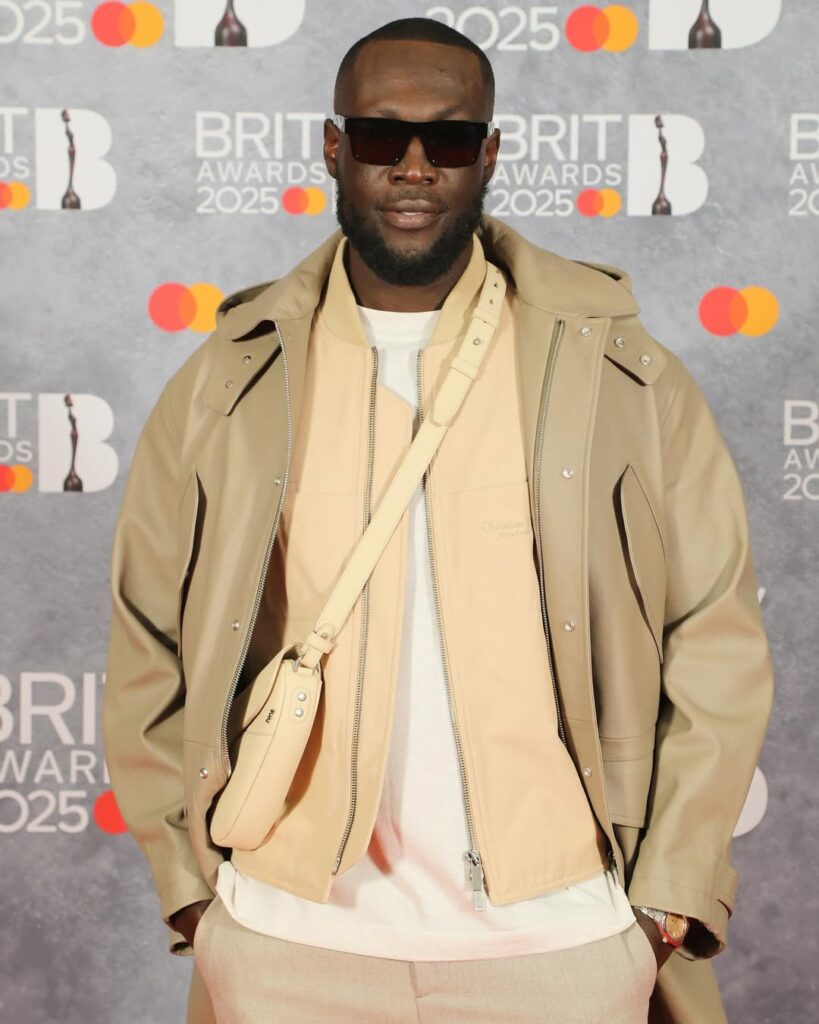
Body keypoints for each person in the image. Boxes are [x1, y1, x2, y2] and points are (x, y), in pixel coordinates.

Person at [102, 17, 774, 1024]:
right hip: (287, 944)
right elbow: (145, 639)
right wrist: (194, 893)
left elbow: (714, 635)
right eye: (382, 135)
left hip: (561, 946)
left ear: (488, 155)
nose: (414, 167)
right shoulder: (231, 378)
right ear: (334, 148)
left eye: (449, 140)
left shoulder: (619, 373)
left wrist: (661, 903)